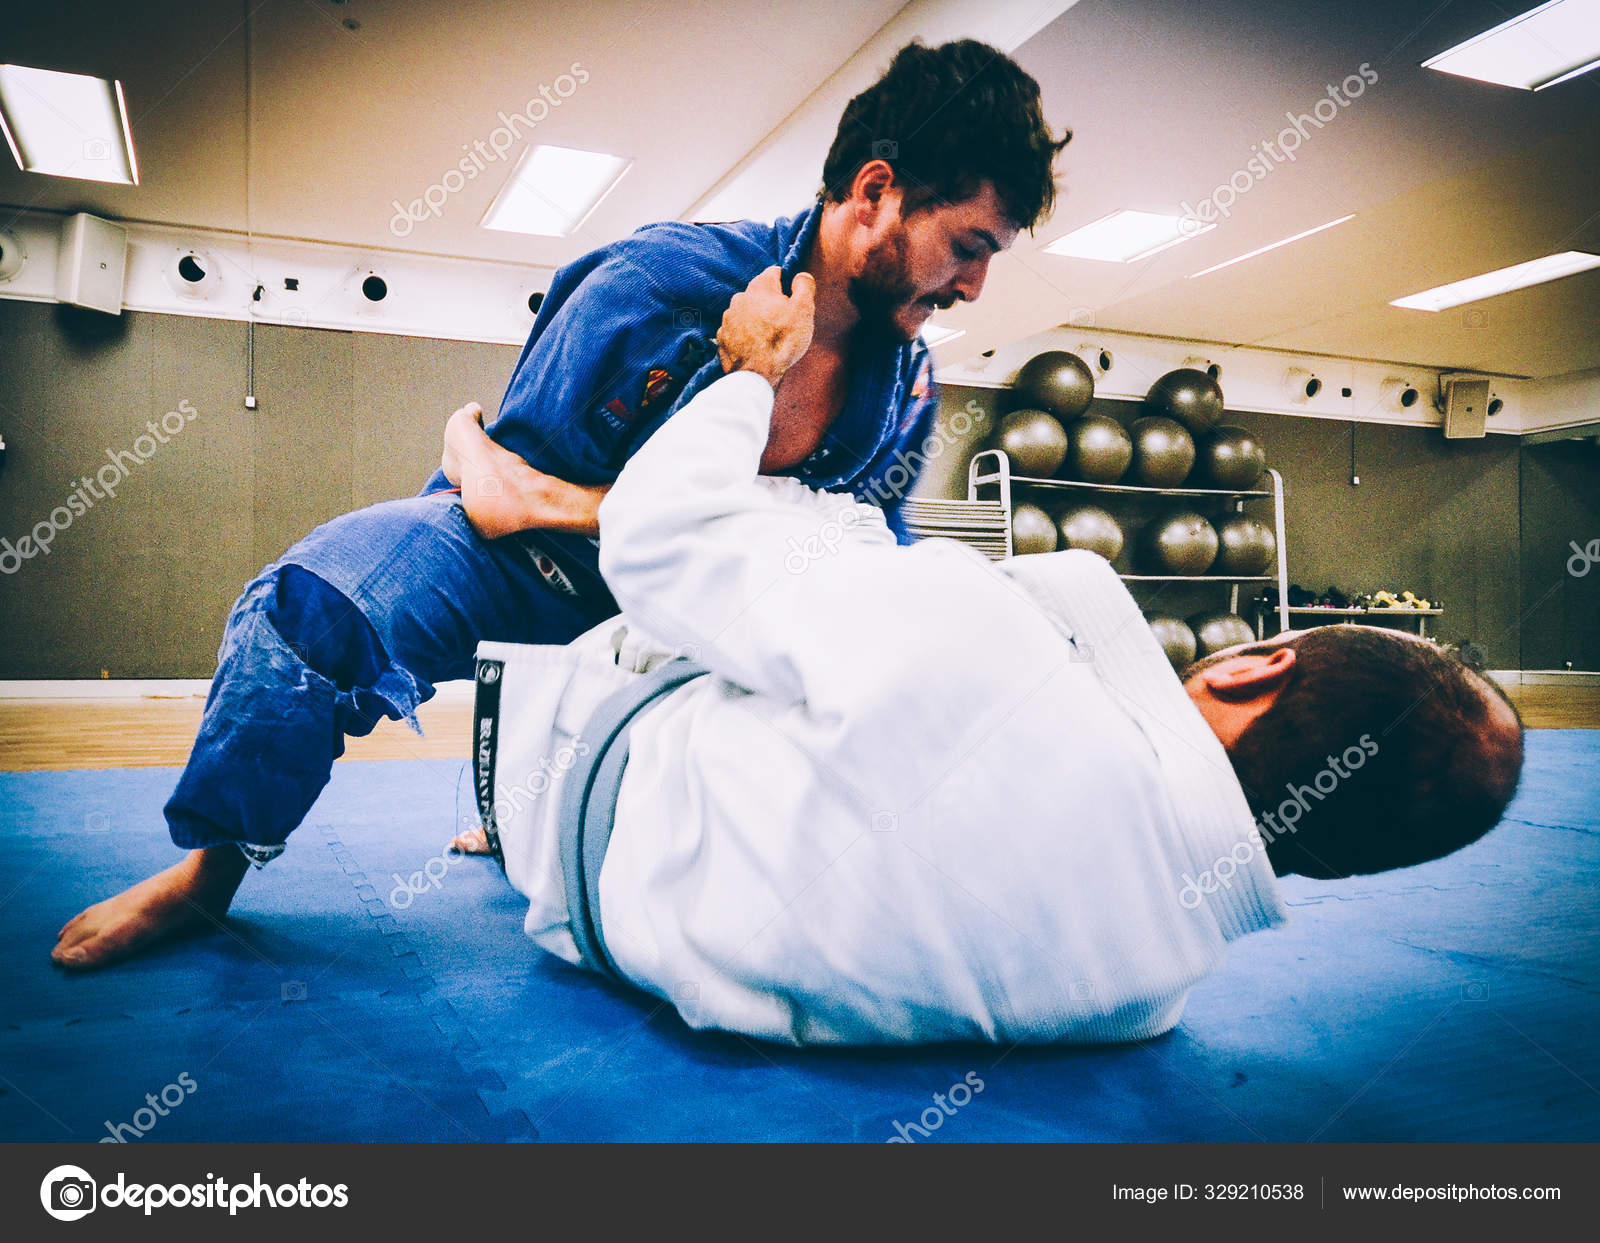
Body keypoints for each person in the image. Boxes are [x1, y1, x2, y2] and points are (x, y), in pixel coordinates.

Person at [52, 39, 1071, 970]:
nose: (974, 287)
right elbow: (501, 496)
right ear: (876, 191)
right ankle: (206, 880)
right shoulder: (654, 283)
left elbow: (863, 559)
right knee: (309, 606)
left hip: (709, 609)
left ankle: (567, 831)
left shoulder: (905, 381)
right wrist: (709, 398)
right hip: (536, 571)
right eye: (968, 245)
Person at [474, 261, 1526, 1046]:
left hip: (558, 780)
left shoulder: (979, 642)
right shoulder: (1148, 996)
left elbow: (660, 540)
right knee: (844, 597)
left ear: (1257, 668)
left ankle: (533, 498)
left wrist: (750, 373)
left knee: (792, 543)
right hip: (620, 934)